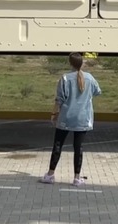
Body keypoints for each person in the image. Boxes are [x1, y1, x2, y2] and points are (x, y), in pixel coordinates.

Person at [39, 52, 102, 186]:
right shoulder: (89, 78)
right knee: (78, 148)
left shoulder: (65, 78)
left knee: (58, 145)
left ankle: (50, 175)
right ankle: (77, 178)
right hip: (83, 118)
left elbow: (59, 99)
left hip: (66, 118)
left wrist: (54, 114)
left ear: (70, 63)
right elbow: (97, 91)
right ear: (82, 63)